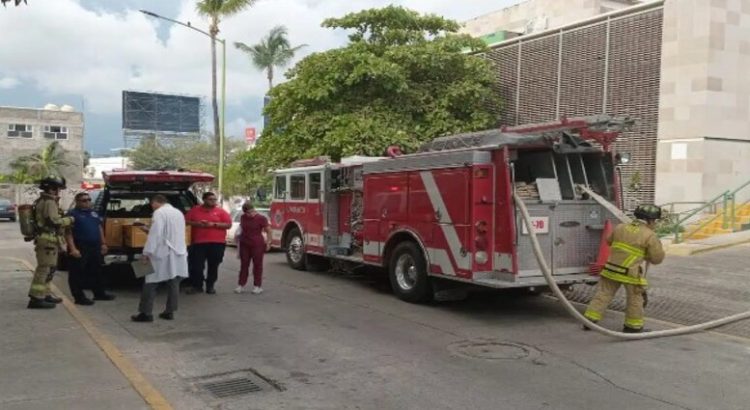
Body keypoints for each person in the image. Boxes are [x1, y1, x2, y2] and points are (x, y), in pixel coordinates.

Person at [583, 204, 666, 333]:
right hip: (630, 273)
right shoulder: (650, 235)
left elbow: (609, 241)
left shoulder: (620, 227)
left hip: (611, 269)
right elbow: (657, 259)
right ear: (650, 220)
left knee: (603, 294)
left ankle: (589, 321)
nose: (655, 223)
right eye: (655, 220)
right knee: (635, 299)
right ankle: (632, 327)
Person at [131, 195, 189, 322]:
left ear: (155, 203)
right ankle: (170, 312)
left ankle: (146, 313)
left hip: (161, 253)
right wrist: (148, 230)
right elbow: (168, 232)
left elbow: (156, 235)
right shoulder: (178, 212)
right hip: (178, 252)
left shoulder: (159, 213)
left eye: (152, 205)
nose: (152, 207)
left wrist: (146, 253)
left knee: (150, 282)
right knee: (174, 283)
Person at [27, 175, 74, 309]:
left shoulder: (44, 201)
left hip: (49, 241)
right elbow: (53, 221)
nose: (59, 191)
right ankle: (36, 298)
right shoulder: (49, 202)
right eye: (58, 188)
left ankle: (45, 293)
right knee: (44, 269)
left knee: (50, 269)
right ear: (52, 188)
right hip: (47, 241)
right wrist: (69, 220)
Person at [65, 192, 116, 306]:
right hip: (80, 246)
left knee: (96, 270)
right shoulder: (71, 215)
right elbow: (68, 233)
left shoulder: (93, 213)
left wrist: (103, 243)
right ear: (77, 202)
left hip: (95, 246)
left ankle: (99, 293)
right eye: (84, 200)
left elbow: (99, 228)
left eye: (88, 200)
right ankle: (79, 297)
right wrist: (73, 249)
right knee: (77, 273)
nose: (87, 202)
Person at [185, 192, 232, 294]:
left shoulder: (221, 212)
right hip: (198, 242)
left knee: (213, 265)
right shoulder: (195, 210)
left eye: (214, 200)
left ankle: (210, 286)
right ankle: (197, 286)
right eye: (210, 199)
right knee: (197, 266)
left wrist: (213, 224)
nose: (213, 201)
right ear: (204, 199)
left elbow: (228, 225)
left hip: (217, 243)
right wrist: (197, 224)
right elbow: (186, 221)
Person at [235, 202, 272, 294]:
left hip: (257, 244)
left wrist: (268, 242)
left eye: (252, 211)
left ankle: (257, 286)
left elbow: (269, 231)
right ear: (244, 213)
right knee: (244, 264)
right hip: (244, 244)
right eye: (248, 213)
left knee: (257, 265)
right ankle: (241, 285)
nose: (251, 214)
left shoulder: (261, 218)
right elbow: (241, 228)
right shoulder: (243, 217)